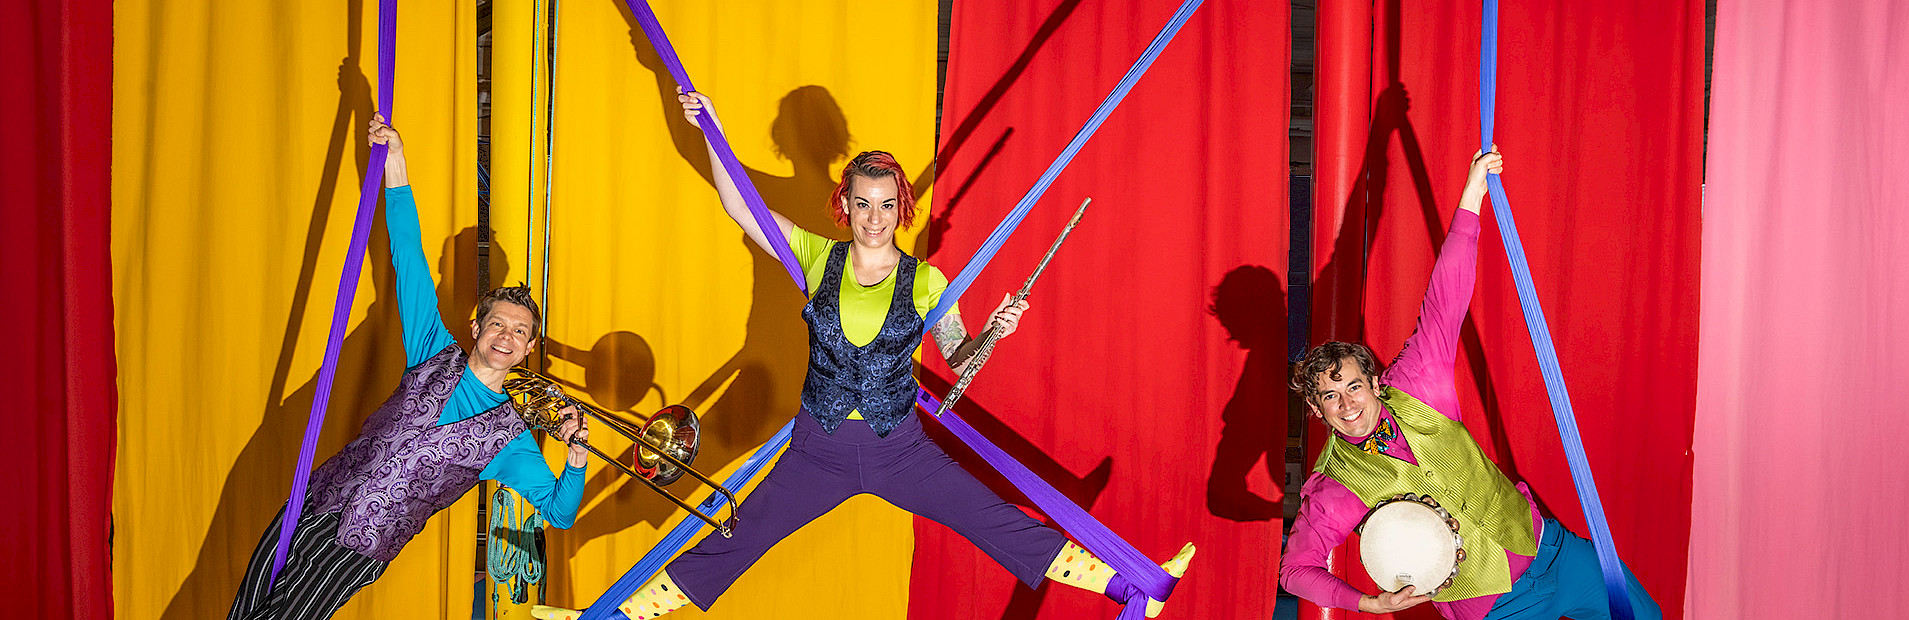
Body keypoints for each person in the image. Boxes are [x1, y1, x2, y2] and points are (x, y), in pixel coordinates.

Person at [534, 93, 1194, 619]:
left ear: (899, 206)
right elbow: (741, 205)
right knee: (735, 540)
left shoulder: (929, 280)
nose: (873, 217)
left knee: (994, 522)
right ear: (844, 206)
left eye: (885, 205)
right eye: (861, 204)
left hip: (899, 449)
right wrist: (711, 132)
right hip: (816, 449)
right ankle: (610, 619)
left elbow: (961, 361)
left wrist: (996, 329)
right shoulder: (816, 257)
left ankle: (1130, 587)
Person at [228, 117, 592, 620]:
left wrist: (575, 460)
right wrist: (395, 160)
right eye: (497, 325)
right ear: (475, 328)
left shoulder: (511, 438)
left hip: (358, 548)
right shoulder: (431, 348)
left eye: (519, 332)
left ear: (529, 348)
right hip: (312, 503)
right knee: (243, 611)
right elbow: (409, 258)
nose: (506, 337)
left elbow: (558, 512)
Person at [1277, 148, 1662, 619]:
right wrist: (1368, 602)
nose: (1346, 404)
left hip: (1555, 552)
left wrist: (1473, 194)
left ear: (1375, 383)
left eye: (1353, 387)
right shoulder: (1333, 487)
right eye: (1330, 398)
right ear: (1317, 412)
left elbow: (1446, 297)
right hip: (1495, 610)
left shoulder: (1416, 382)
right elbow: (1296, 570)